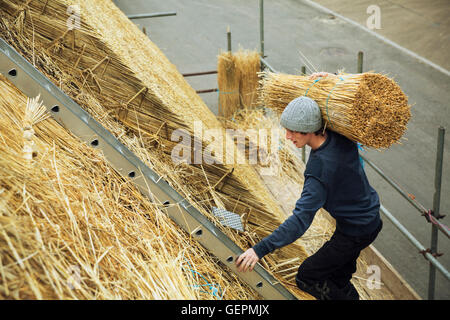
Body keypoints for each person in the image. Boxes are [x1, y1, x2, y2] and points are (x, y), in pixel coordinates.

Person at [235, 72, 382, 300]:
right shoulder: (340, 134)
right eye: (286, 129)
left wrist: (259, 249)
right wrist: (331, 78)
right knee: (337, 277)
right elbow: (349, 105)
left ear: (310, 129)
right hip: (369, 218)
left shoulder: (319, 169)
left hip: (355, 230)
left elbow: (300, 221)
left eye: (293, 131)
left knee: (308, 276)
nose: (288, 136)